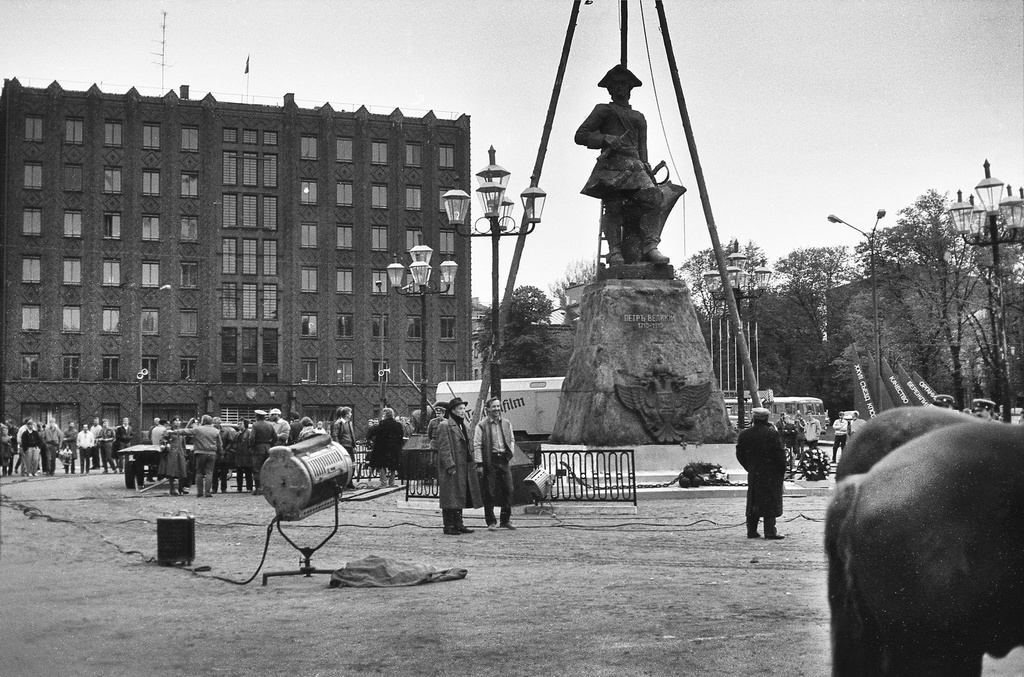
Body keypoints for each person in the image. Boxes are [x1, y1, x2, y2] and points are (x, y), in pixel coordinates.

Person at [574, 64, 681, 266]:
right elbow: (580, 135)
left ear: (630, 88)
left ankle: (650, 246)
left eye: (623, 84)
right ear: (610, 89)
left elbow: (643, 149)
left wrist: (646, 167)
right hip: (612, 166)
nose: (620, 88)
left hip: (635, 165)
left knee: (653, 198)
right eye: (615, 85)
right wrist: (606, 139)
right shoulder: (603, 110)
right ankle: (614, 251)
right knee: (613, 206)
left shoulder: (639, 117)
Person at [735, 407, 787, 540]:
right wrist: (781, 471)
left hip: (753, 472)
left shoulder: (744, 434)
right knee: (770, 501)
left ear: (754, 418)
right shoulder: (772, 434)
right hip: (771, 473)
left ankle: (751, 531)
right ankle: (770, 531)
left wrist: (750, 467)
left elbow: (739, 454)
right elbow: (780, 455)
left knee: (753, 501)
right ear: (766, 418)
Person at [436, 398, 484, 535]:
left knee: (459, 494)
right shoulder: (445, 425)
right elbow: (444, 447)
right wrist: (450, 465)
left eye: (464, 409)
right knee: (450, 496)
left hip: (464, 466)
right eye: (460, 409)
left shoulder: (464, 425)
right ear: (452, 410)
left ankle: (459, 523)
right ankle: (448, 525)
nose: (463, 411)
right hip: (452, 466)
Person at [473, 397, 517, 531]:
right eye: (494, 407)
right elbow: (477, 445)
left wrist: (511, 453)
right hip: (489, 461)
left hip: (503, 460)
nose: (497, 409)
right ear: (488, 409)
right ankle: (491, 522)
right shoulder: (481, 425)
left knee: (508, 490)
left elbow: (512, 439)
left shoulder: (507, 423)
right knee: (490, 492)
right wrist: (480, 464)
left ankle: (505, 520)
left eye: (498, 406)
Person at [366, 408, 405, 487]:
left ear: (385, 415)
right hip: (394, 448)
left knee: (382, 465)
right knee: (393, 465)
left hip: (383, 448)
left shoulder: (382, 424)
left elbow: (371, 433)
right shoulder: (398, 425)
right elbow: (401, 437)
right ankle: (392, 482)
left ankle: (384, 482)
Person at [189, 415, 222, 498]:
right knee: (209, 473)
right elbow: (220, 444)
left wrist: (172, 432)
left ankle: (199, 492)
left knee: (199, 472)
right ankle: (207, 492)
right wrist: (221, 453)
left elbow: (185, 431)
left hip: (200, 452)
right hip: (212, 453)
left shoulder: (198, 429)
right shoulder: (216, 431)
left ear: (203, 421)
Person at [158, 418, 190, 496]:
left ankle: (181, 487)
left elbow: (183, 443)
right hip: (171, 453)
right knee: (171, 470)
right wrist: (166, 443)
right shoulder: (168, 430)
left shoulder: (181, 431)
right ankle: (172, 488)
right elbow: (162, 439)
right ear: (172, 423)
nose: (178, 422)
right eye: (176, 421)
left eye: (179, 421)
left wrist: (184, 451)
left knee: (182, 470)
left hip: (180, 452)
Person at [249, 410, 277, 495]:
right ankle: (267, 488)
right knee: (267, 468)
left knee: (257, 469)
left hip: (258, 448)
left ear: (257, 416)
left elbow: (252, 438)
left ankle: (258, 488)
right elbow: (275, 437)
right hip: (268, 448)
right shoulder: (270, 425)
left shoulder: (255, 425)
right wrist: (270, 444)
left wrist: (252, 446)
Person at [234, 419, 254, 493]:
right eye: (238, 423)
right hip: (239, 455)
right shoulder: (237, 434)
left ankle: (249, 487)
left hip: (247, 455)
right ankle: (239, 488)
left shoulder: (248, 432)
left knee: (248, 472)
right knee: (239, 473)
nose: (239, 425)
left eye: (241, 423)